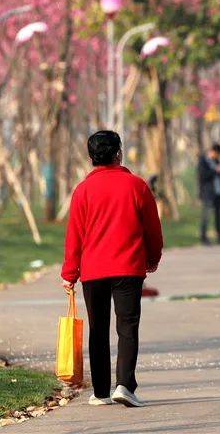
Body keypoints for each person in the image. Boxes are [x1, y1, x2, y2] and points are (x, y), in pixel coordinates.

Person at [61, 130, 163, 408]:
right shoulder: (137, 186)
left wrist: (70, 274)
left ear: (91, 156)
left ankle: (101, 391)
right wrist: (152, 259)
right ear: (118, 153)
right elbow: (153, 230)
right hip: (128, 269)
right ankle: (125, 386)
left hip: (93, 272)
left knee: (98, 329)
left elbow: (74, 236)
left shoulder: (82, 191)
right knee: (127, 327)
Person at [196, 143, 220, 244]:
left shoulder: (216, 161)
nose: (218, 156)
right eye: (217, 154)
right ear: (212, 151)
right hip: (208, 193)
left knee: (218, 215)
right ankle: (203, 237)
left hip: (218, 192)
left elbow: (219, 174)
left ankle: (219, 236)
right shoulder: (203, 161)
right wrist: (215, 170)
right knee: (206, 216)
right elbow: (203, 176)